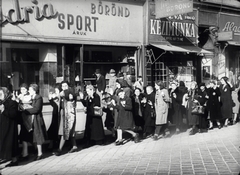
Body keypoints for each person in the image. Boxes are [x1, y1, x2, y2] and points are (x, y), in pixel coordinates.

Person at [21, 84, 48, 161]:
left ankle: (40, 153)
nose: (29, 91)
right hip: (32, 118)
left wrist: (25, 110)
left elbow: (37, 109)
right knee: (33, 135)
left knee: (38, 134)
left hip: (37, 118)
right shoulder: (32, 98)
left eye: (30, 90)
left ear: (34, 90)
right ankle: (35, 150)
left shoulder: (38, 97)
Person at [53, 81, 78, 156]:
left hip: (69, 114)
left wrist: (61, 94)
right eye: (63, 86)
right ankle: (74, 146)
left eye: (65, 85)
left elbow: (70, 97)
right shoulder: (63, 93)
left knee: (65, 130)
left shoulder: (70, 92)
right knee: (70, 131)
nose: (64, 87)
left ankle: (59, 149)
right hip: (64, 113)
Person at [0, 87, 19, 167]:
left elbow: (14, 114)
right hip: (2, 126)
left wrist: (4, 110)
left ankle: (14, 160)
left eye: (1, 94)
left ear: (6, 94)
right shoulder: (1, 103)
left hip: (9, 127)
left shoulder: (12, 103)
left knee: (10, 143)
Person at [17, 83, 34, 162]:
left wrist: (20, 100)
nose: (22, 91)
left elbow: (27, 104)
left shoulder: (28, 96)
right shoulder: (20, 95)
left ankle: (25, 154)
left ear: (27, 89)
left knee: (25, 136)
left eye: (24, 89)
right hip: (22, 118)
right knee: (25, 136)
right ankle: (25, 152)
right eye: (21, 89)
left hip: (27, 118)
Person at [47, 84, 61, 151]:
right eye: (55, 91)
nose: (56, 92)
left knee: (58, 129)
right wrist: (50, 99)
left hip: (60, 115)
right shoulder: (56, 98)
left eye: (57, 91)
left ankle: (56, 145)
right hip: (55, 115)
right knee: (53, 129)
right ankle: (52, 144)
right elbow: (53, 105)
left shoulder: (61, 98)